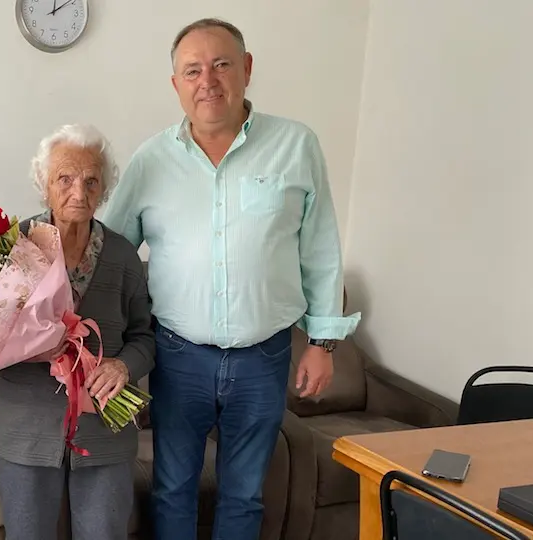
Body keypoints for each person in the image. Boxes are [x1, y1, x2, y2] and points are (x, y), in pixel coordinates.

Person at [102, 18, 362, 540]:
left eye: (221, 64)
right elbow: (113, 255)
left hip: (264, 357)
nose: (208, 81)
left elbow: (321, 250)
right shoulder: (151, 160)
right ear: (175, 84)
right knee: (173, 488)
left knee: (244, 495)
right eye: (192, 70)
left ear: (246, 69)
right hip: (178, 357)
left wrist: (322, 344)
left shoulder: (295, 145)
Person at [0, 124, 155, 540]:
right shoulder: (14, 246)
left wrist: (122, 365)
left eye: (91, 180)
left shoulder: (122, 255)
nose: (78, 192)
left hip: (104, 429)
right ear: (43, 185)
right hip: (25, 429)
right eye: (64, 178)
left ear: (104, 189)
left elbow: (146, 335)